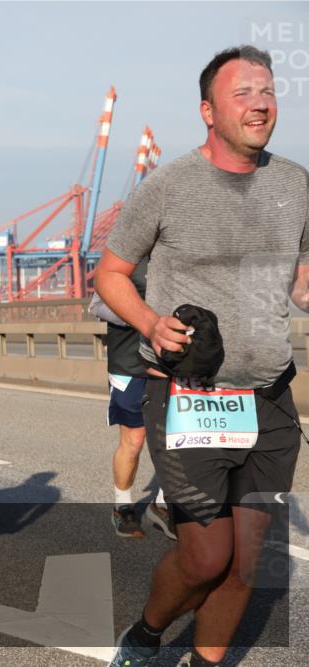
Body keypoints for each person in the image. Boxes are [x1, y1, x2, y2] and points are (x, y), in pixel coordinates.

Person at [97, 46, 307, 667]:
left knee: (246, 563)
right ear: (208, 111)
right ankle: (146, 634)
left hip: (268, 398)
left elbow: (299, 282)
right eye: (242, 93)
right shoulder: (167, 186)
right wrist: (148, 322)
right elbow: (111, 274)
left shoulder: (296, 185)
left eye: (267, 91)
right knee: (206, 557)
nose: (261, 102)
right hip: (190, 399)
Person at [90, 259, 176, 540]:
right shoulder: (124, 257)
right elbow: (97, 305)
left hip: (171, 363)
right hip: (129, 363)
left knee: (175, 438)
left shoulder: (177, 254)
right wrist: (141, 316)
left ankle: (162, 504)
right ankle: (122, 506)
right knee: (134, 440)